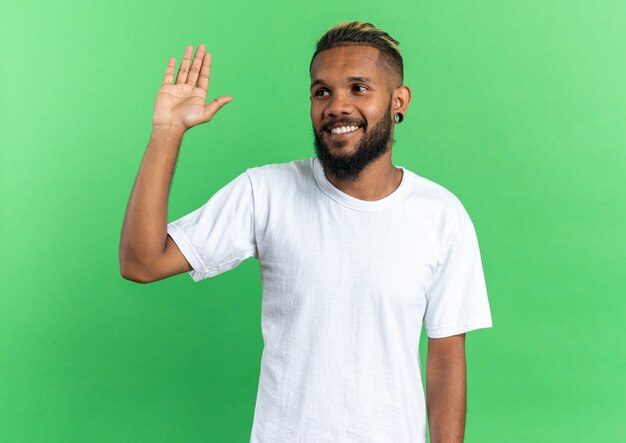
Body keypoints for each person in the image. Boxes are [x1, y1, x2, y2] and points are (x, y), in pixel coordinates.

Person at [120, 21, 493, 443]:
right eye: (322, 92)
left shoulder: (441, 215)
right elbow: (142, 262)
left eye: (359, 88)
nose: (336, 106)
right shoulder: (266, 192)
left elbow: (445, 359)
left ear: (398, 102)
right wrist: (167, 133)